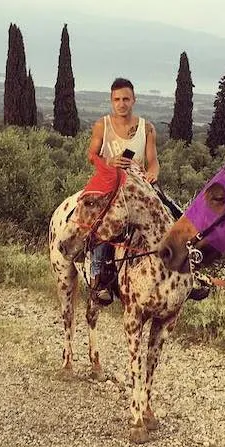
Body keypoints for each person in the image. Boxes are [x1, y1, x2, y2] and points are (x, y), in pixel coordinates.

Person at [85, 78, 159, 305]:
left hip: (139, 187)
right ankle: (99, 279)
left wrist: (153, 173)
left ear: (134, 100)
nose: (121, 103)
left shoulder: (147, 128)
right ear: (111, 101)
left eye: (126, 99)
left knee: (170, 213)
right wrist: (110, 161)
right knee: (103, 225)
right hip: (112, 185)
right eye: (117, 99)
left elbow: (153, 161)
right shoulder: (102, 125)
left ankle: (187, 271)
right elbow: (91, 155)